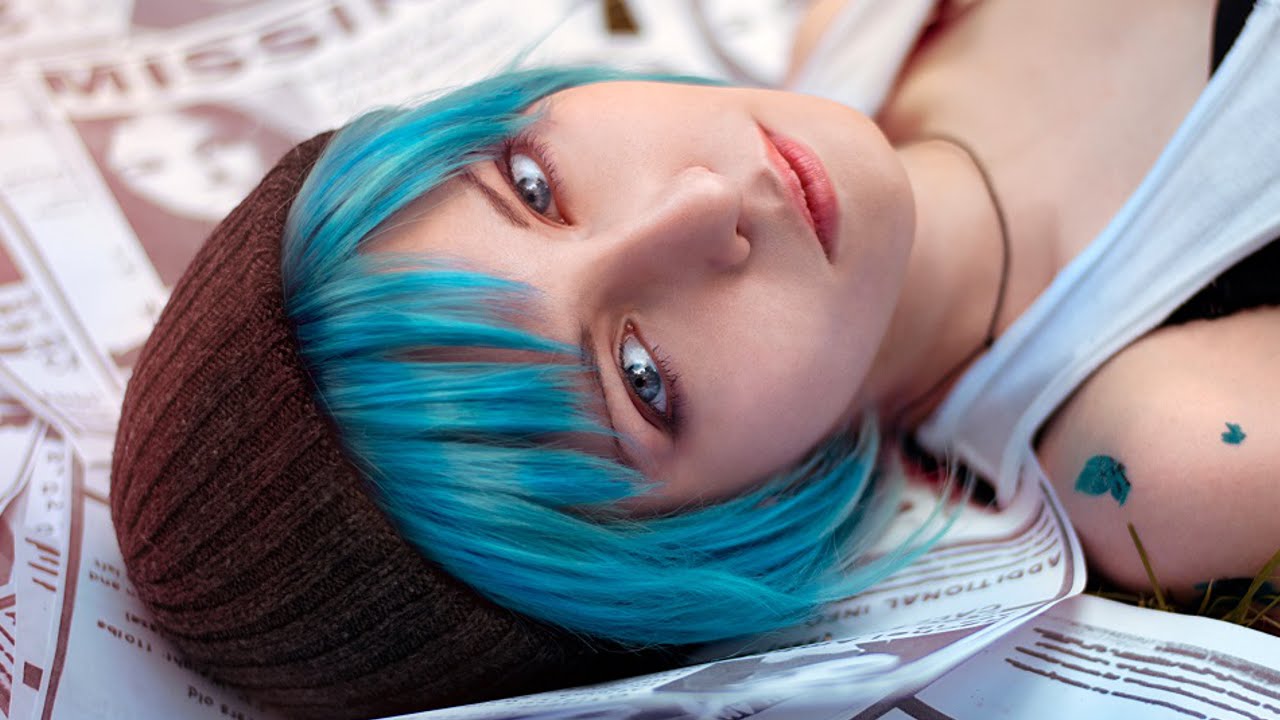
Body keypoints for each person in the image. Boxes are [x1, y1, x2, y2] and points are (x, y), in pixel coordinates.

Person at [109, 0, 1280, 718]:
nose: (703, 205)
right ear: (728, 529)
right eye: (642, 379)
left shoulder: (856, 26)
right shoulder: (1169, 452)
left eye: (532, 185)